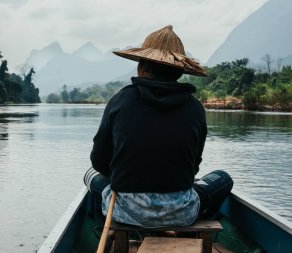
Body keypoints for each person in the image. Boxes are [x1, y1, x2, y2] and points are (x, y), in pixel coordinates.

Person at [84, 25, 233, 227]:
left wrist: (128, 175)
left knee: (91, 175)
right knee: (223, 178)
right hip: (181, 212)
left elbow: (99, 162)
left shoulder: (119, 101)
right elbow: (193, 167)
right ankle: (179, 227)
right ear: (179, 71)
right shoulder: (196, 108)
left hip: (125, 210)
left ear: (142, 67)